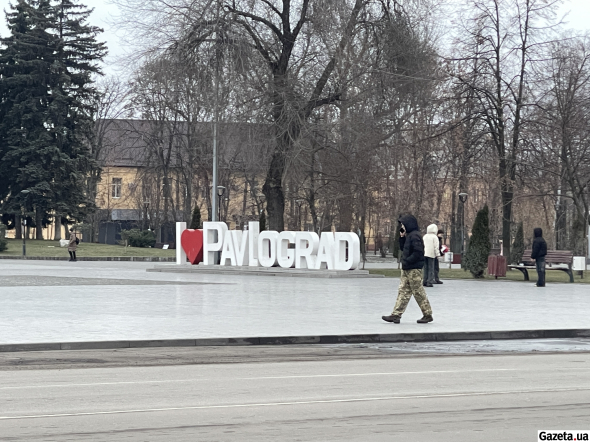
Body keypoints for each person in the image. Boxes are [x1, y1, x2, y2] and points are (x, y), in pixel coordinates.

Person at [382, 215, 434, 324]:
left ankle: (427, 314)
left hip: (413, 268)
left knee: (418, 291)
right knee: (403, 291)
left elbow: (418, 252)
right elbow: (403, 248)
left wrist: (407, 261)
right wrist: (402, 237)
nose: (402, 227)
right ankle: (396, 314)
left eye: (403, 225)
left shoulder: (415, 236)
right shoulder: (409, 236)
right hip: (407, 267)